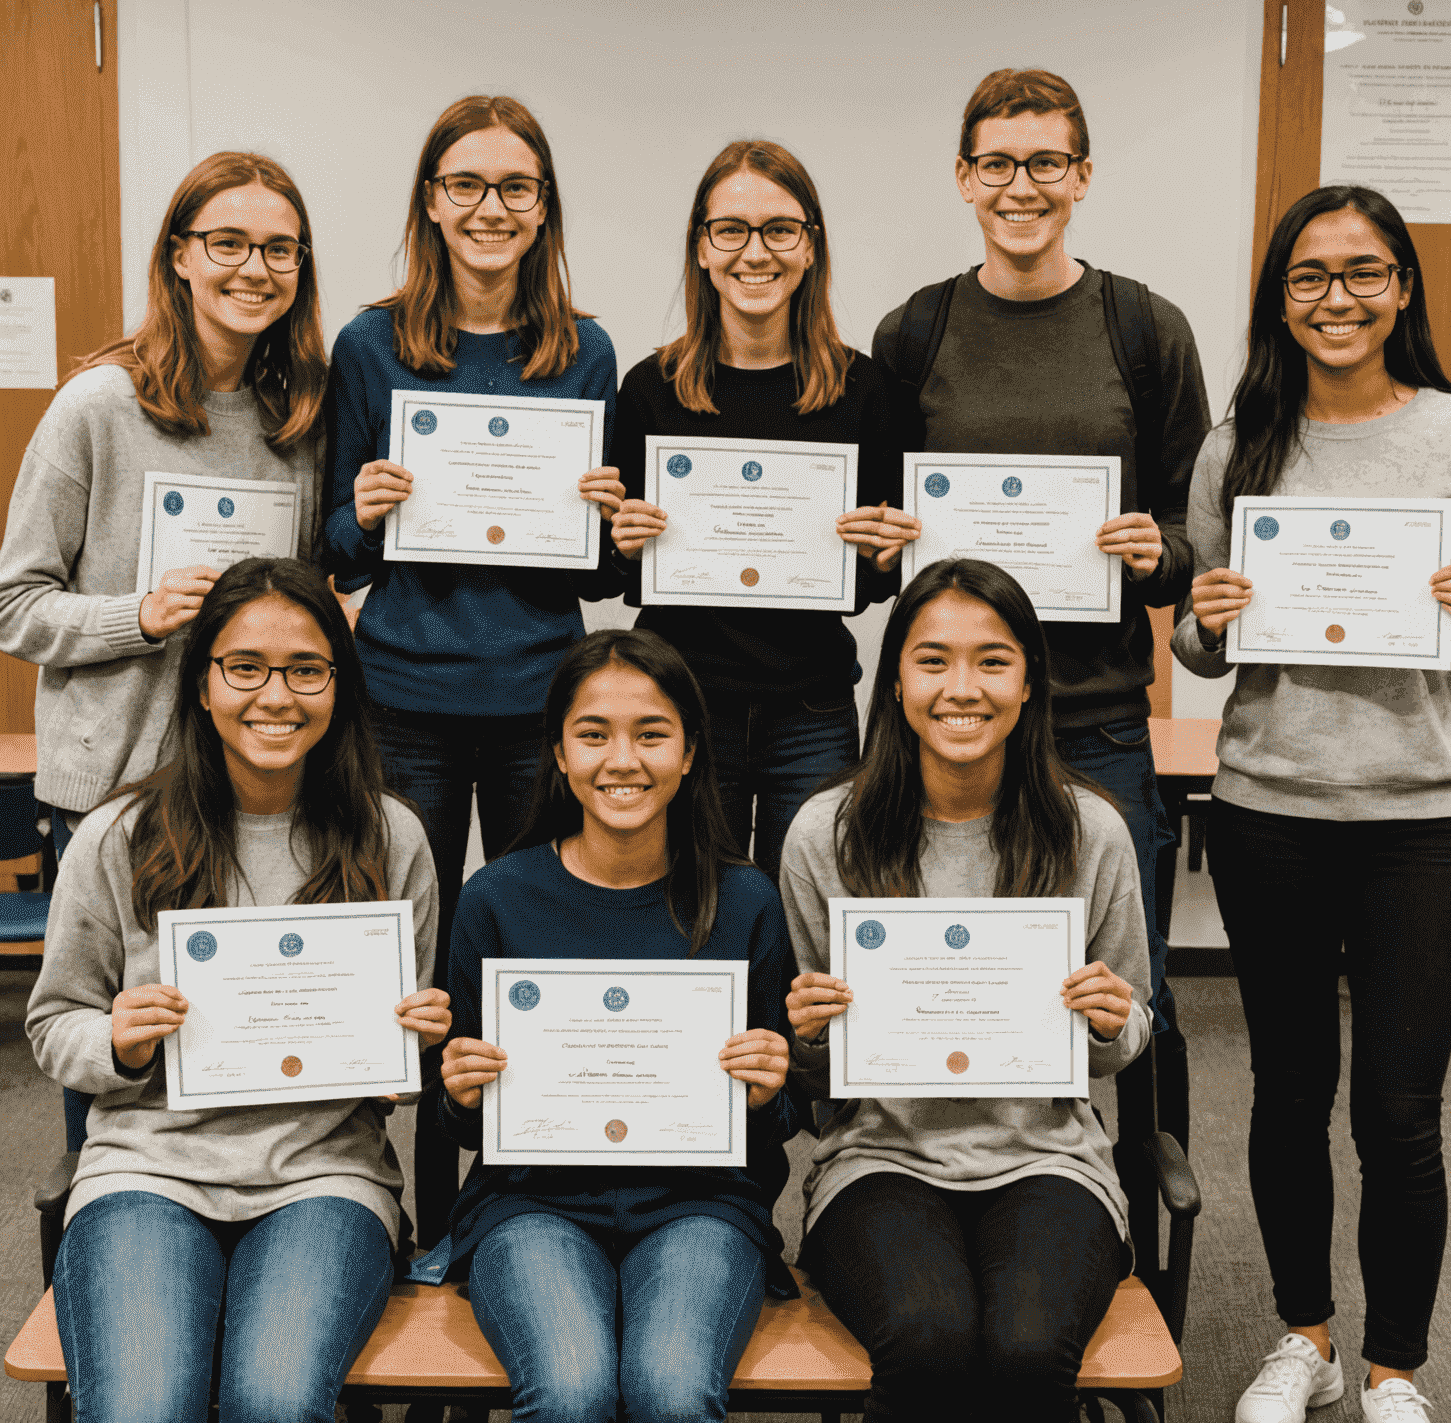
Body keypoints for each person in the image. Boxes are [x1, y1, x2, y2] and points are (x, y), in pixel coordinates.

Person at [1171, 184, 1451, 1423]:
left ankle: (1395, 1367)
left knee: (1401, 1110)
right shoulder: (1240, 443)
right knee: (1285, 1093)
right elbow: (1206, 646)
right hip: (1271, 805)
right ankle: (1303, 1337)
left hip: (1426, 819)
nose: (1338, 298)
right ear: (1280, 298)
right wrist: (1202, 625)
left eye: (1363, 272)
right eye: (1311, 276)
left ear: (1402, 289)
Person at [26, 556, 446, 1423]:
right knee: (143, 1406)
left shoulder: (390, 837)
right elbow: (52, 1023)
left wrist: (412, 1048)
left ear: (339, 685)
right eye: (245, 667)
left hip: (326, 1176)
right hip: (147, 1170)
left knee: (275, 1401)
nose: (276, 696)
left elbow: (400, 1070)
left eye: (306, 669)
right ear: (204, 682)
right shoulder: (118, 834)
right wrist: (117, 1040)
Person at [321, 94, 624, 1247]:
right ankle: (423, 1216)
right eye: (466, 185)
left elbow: (594, 576)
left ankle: (522, 1198)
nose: (489, 208)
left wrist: (606, 524)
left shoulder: (584, 349)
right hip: (404, 699)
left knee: (531, 956)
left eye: (514, 187)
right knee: (418, 966)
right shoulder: (370, 342)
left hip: (542, 703)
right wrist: (363, 510)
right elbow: (336, 550)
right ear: (431, 203)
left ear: (543, 208)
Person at [871, 68, 1211, 1046]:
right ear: (964, 179)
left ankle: (1128, 1182)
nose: (1023, 187)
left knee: (1122, 991)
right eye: (998, 164)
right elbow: (880, 517)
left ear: (1083, 176)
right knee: (948, 966)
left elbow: (1194, 537)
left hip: (1099, 720)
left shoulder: (1146, 330)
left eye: (1046, 162)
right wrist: (884, 539)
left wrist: (1157, 551)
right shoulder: (914, 333)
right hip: (952, 721)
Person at [779, 556, 1152, 1423]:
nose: (963, 688)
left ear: (1029, 685)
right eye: (932, 659)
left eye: (993, 660)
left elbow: (1131, 1035)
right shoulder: (823, 836)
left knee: (1026, 1351)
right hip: (877, 1157)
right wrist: (807, 1033)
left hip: (1049, 1155)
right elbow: (817, 1079)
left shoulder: (1089, 829)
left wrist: (1110, 1018)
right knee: (928, 1339)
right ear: (897, 684)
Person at [423, 627, 802, 1423]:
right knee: (570, 1390)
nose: (621, 760)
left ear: (693, 752)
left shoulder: (746, 902)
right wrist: (460, 1091)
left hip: (702, 1205)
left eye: (652, 733)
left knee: (670, 1391)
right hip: (529, 1206)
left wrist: (769, 1091)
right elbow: (457, 1123)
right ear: (558, 754)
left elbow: (775, 1130)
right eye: (592, 735)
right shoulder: (495, 898)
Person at [0, 151, 329, 857]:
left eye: (280, 249)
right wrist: (139, 615)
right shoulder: (97, 406)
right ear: (181, 255)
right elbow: (14, 606)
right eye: (228, 243)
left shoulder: (300, 422)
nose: (256, 268)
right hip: (117, 789)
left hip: (260, 788)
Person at [610, 139, 918, 881]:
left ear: (810, 248)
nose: (756, 252)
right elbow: (614, 573)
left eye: (780, 229)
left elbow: (876, 582)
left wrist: (885, 556)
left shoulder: (864, 392)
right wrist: (620, 540)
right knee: (694, 910)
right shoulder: (650, 387)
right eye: (731, 230)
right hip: (683, 707)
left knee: (806, 915)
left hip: (808, 710)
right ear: (703, 249)